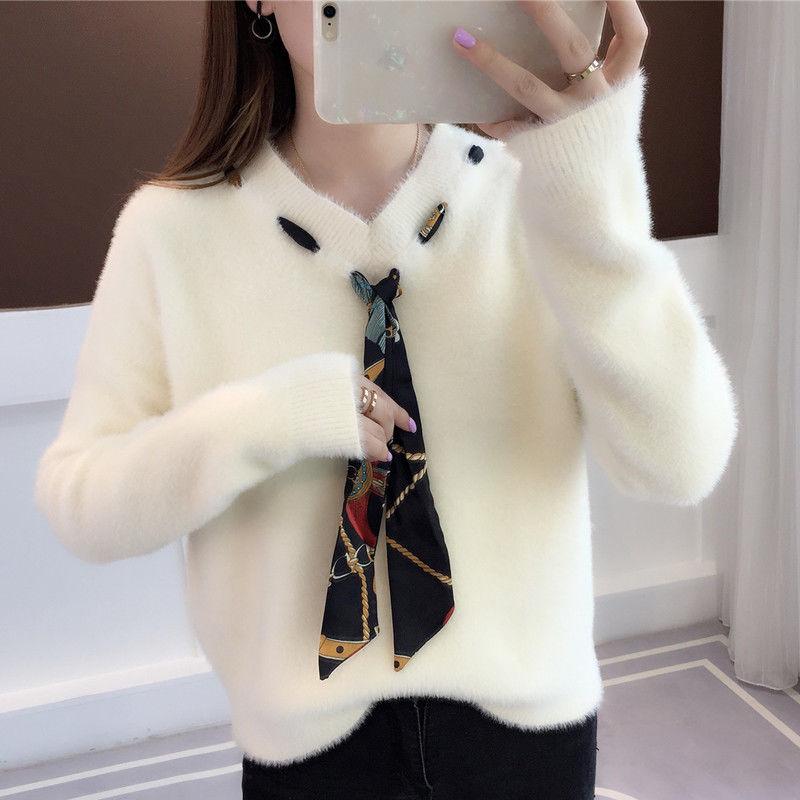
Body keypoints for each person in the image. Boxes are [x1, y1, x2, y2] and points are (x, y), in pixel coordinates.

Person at [34, 1, 739, 798]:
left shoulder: (538, 191)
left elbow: (680, 462)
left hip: (529, 736)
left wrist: (593, 180)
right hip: (309, 755)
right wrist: (271, 418)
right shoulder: (171, 230)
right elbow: (81, 502)